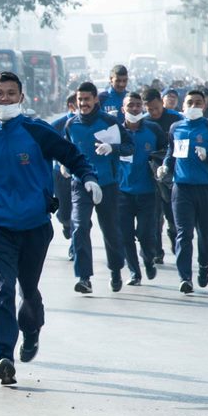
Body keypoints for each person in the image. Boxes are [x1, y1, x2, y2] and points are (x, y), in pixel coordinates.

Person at [0, 71, 92, 383]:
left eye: (11, 93)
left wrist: (89, 176)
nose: (5, 98)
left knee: (28, 291)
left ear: (21, 97)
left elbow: (71, 155)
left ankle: (31, 330)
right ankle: (4, 355)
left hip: (35, 227)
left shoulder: (36, 130)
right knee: (1, 287)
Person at [62, 81, 132, 293]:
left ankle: (116, 270)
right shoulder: (71, 125)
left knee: (110, 229)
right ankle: (84, 277)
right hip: (81, 184)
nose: (83, 103)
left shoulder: (109, 122)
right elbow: (65, 150)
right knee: (80, 227)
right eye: (80, 99)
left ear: (95, 100)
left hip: (107, 184)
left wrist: (112, 147)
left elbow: (130, 147)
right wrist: (65, 164)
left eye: (87, 99)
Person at [160, 89, 208, 294]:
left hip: (204, 188)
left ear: (204, 106)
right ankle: (185, 277)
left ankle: (204, 264)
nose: (194, 106)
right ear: (183, 105)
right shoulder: (175, 128)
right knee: (183, 233)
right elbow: (171, 154)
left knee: (204, 232)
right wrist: (165, 166)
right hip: (181, 189)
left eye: (198, 103)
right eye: (190, 102)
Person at [117, 92, 168, 285]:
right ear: (124, 109)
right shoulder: (115, 131)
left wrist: (161, 165)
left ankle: (148, 259)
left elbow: (166, 151)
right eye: (131, 105)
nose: (135, 109)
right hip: (122, 192)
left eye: (138, 105)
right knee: (126, 235)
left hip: (148, 192)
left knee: (147, 234)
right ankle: (134, 273)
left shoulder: (153, 130)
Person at [144, 88, 184, 261]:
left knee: (172, 213)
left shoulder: (176, 119)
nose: (154, 112)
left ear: (162, 102)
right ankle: (157, 252)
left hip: (173, 174)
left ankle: (176, 243)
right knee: (154, 216)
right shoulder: (143, 123)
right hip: (149, 174)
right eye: (149, 109)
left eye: (156, 108)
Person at [51, 92, 78, 245]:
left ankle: (75, 246)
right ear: (71, 106)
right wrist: (60, 162)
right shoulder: (57, 125)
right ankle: (66, 224)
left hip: (79, 174)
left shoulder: (86, 124)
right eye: (78, 102)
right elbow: (48, 148)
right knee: (64, 212)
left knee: (80, 214)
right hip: (61, 174)